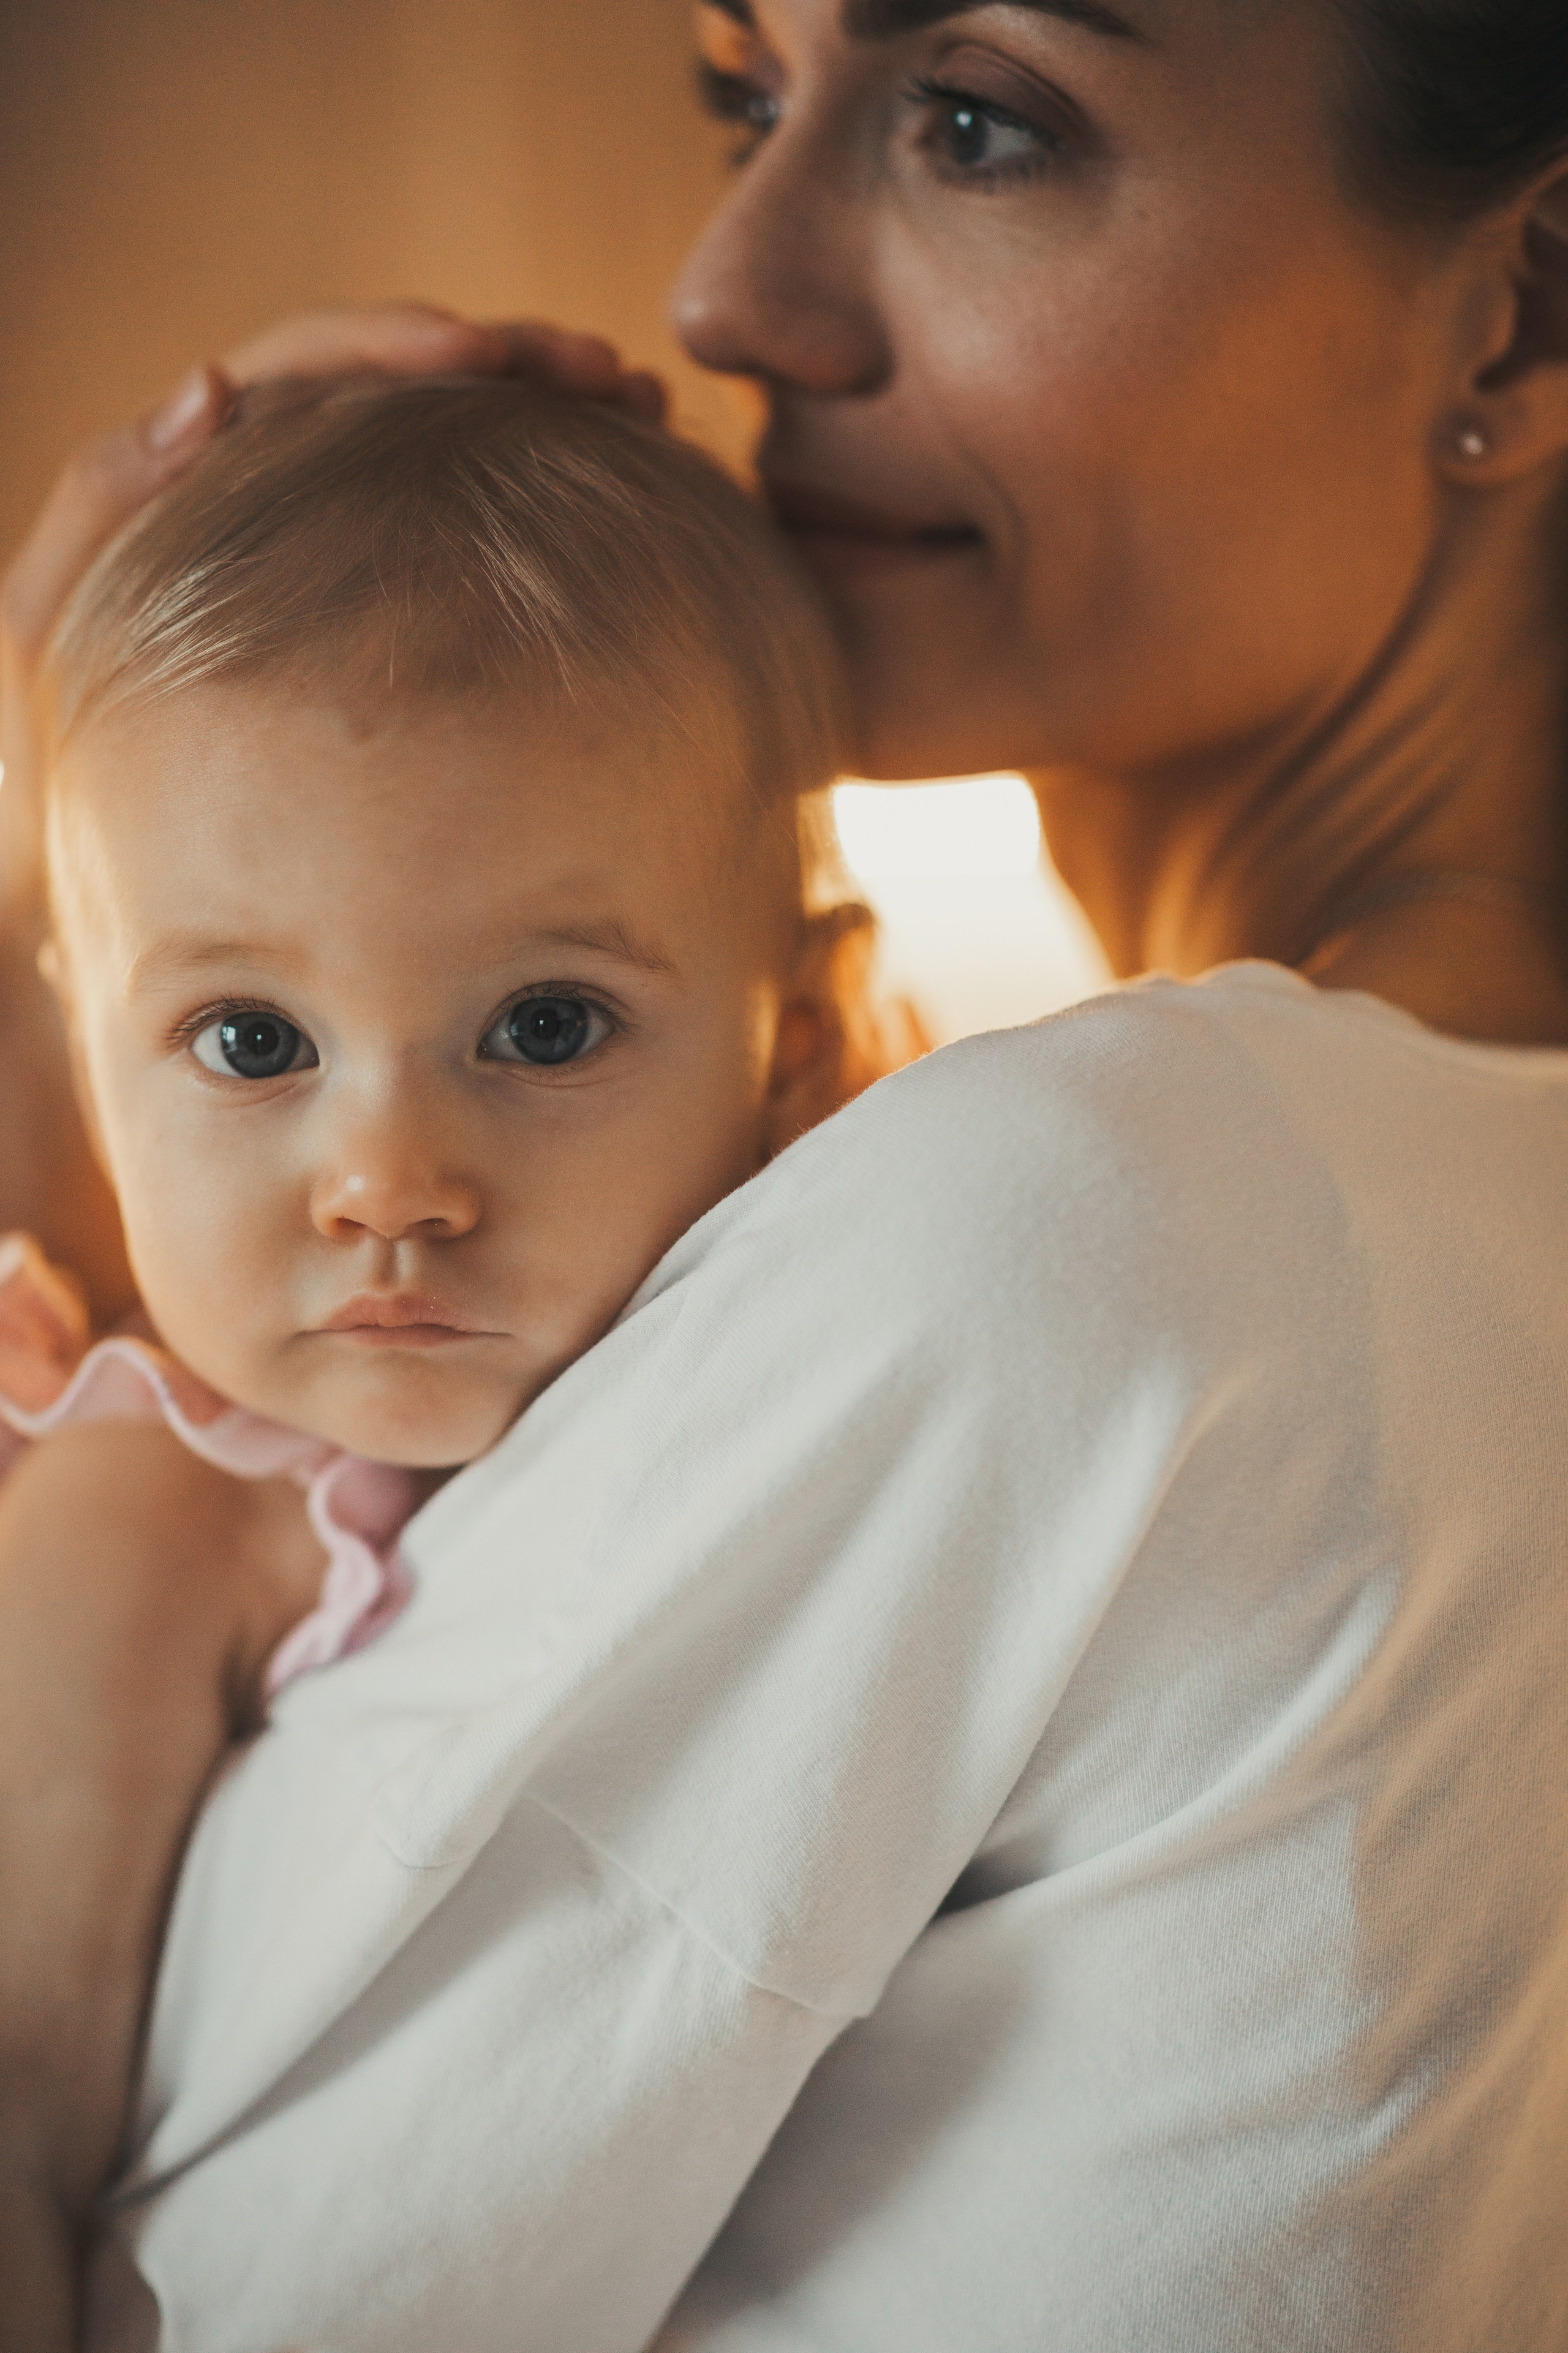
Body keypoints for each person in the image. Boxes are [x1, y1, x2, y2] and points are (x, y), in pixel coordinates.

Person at [0, 1, 1565, 2346]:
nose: (727, 290)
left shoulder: (1079, 1219)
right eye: (746, 93)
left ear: (1523, 314)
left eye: (979, 123)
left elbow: (220, 2280)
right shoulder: (1412, 1184)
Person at [0, 369, 907, 2350]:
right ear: (88, 1050)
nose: (388, 1183)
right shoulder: (158, 1505)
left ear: (804, 1046)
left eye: (545, 1026)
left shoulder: (833, 1368)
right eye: (252, 1042)